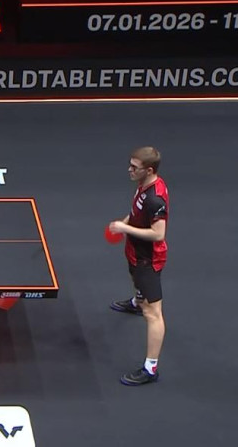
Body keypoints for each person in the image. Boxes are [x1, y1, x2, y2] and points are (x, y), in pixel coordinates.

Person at [108, 147, 168, 386]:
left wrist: (125, 228)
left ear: (149, 170)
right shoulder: (143, 184)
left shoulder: (155, 199)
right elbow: (137, 211)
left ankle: (150, 369)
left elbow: (159, 234)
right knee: (135, 278)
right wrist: (126, 221)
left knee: (153, 314)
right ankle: (136, 301)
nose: (129, 170)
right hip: (135, 251)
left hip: (149, 259)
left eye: (135, 167)